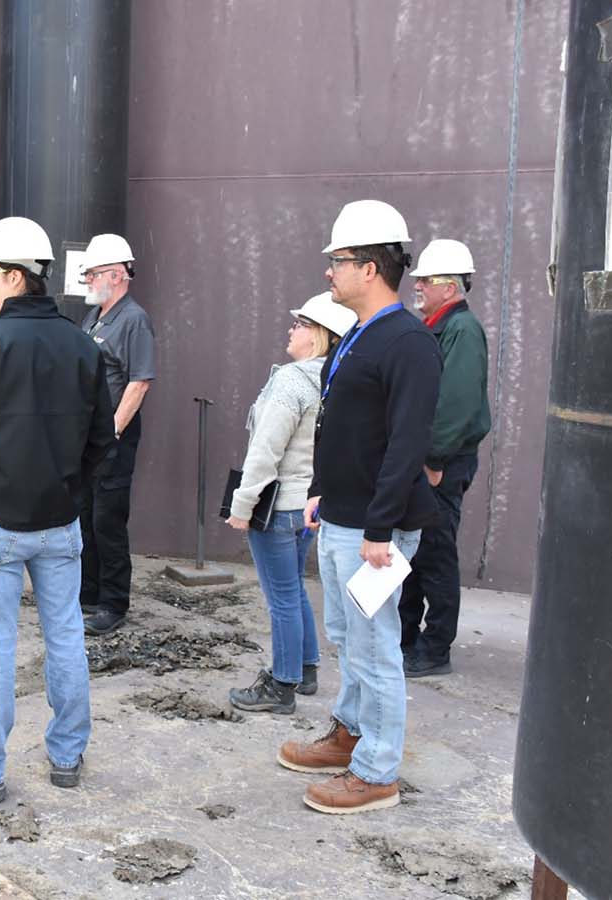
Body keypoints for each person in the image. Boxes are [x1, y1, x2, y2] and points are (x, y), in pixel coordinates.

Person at [0, 217, 115, 804]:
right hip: (60, 522)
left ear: (14, 276)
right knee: (65, 638)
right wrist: (70, 496)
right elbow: (100, 442)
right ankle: (67, 755)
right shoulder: (84, 346)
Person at [277, 200, 441, 814]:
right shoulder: (362, 336)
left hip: (379, 530)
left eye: (337, 261)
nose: (329, 272)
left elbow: (406, 443)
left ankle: (376, 773)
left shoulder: (409, 343)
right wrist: (324, 489)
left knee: (376, 648)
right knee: (347, 635)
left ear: (369, 268)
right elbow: (345, 428)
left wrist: (380, 528)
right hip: (345, 516)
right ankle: (350, 735)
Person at [226, 292, 356, 714]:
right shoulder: (339, 380)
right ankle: (306, 666)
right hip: (310, 508)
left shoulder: (291, 381)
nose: (291, 329)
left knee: (280, 595)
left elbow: (266, 451)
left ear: (320, 335)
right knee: (293, 586)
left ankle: (281, 685)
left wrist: (242, 506)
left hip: (279, 505)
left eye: (300, 324)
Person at [398, 240, 492, 677]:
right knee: (417, 552)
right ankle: (410, 638)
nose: (417, 285)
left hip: (442, 463)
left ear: (451, 287)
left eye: (427, 280)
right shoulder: (443, 328)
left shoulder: (461, 331)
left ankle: (435, 648)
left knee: (434, 552)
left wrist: (433, 459)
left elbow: (457, 403)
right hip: (431, 459)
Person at [76, 234, 156, 636]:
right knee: (86, 515)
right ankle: (88, 593)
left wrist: (110, 432)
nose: (88, 281)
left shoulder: (133, 319)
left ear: (116, 274)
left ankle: (113, 603)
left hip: (113, 436)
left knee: (107, 518)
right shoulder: (96, 317)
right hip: (90, 437)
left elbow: (138, 383)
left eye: (92, 274)